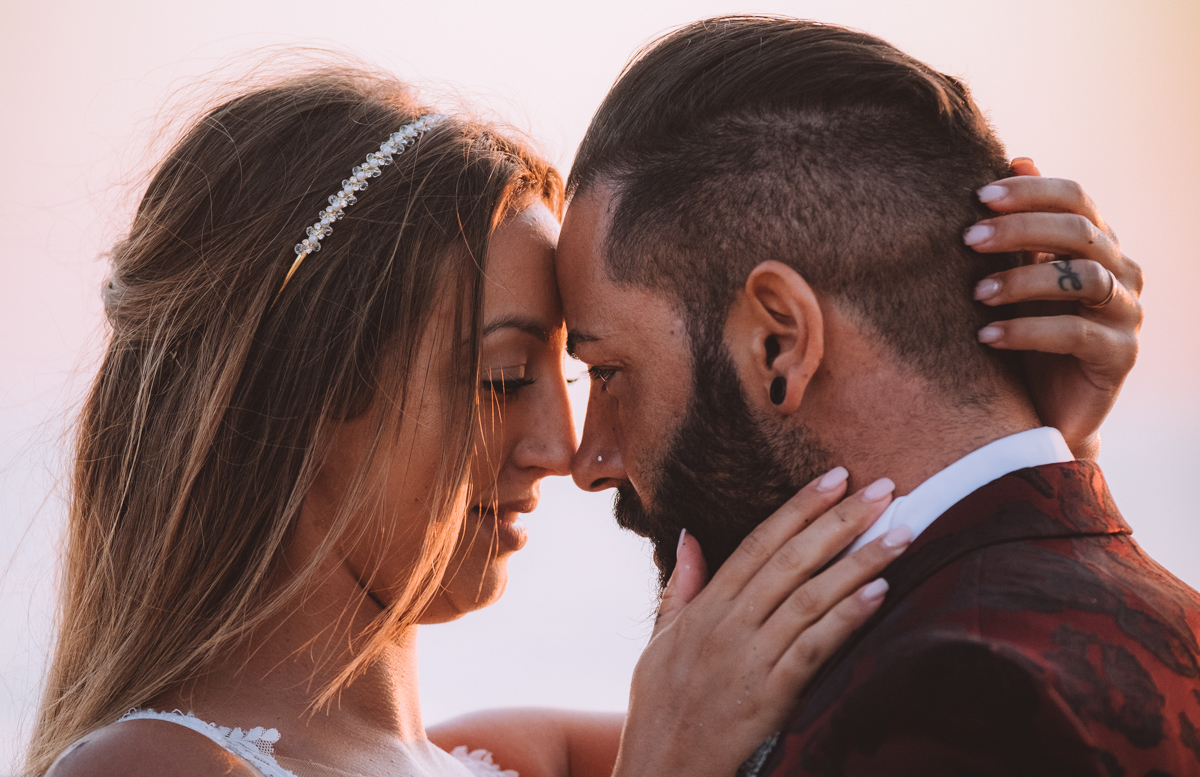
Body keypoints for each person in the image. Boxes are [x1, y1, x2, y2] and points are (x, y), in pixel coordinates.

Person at [26, 66, 924, 777]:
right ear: (304, 393)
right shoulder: (154, 767)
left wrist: (1032, 427)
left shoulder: (520, 757)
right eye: (501, 378)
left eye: (573, 371)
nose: (563, 450)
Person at [531, 14, 1196, 777]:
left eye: (609, 374)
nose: (590, 460)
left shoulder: (947, 706)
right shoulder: (1172, 618)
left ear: (780, 341)